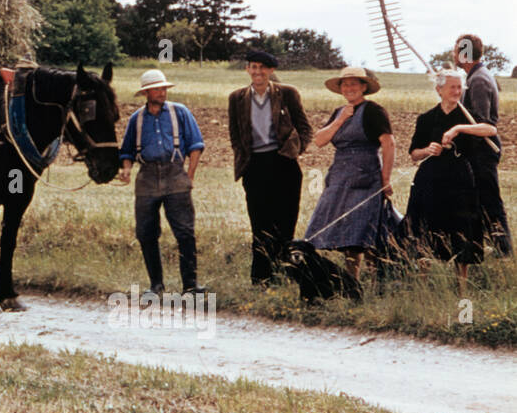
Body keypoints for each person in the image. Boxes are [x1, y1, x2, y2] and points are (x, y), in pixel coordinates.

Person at [404, 68, 498, 293]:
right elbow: (414, 154)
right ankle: (423, 285)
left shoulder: (467, 116)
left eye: (459, 87)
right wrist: (429, 149)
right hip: (430, 179)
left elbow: (490, 129)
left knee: (460, 229)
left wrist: (457, 129)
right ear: (439, 90)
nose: (457, 91)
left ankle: (461, 287)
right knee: (425, 228)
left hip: (460, 179)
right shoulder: (426, 118)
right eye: (452, 87)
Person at [117, 69, 207, 295]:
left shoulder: (181, 112)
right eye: (158, 89)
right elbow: (126, 151)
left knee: (185, 232)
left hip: (175, 174)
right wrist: (126, 170)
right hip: (146, 177)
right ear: (146, 93)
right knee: (146, 233)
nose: (162, 92)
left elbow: (196, 145)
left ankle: (190, 285)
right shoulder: (136, 119)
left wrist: (190, 175)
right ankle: (156, 285)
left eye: (164, 88)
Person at [302, 67, 396, 283]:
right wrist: (341, 119)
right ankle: (350, 282)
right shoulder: (338, 112)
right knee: (346, 231)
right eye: (345, 84)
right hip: (340, 176)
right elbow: (319, 140)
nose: (349, 88)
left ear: (364, 87)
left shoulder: (374, 110)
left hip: (366, 175)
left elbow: (389, 143)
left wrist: (385, 178)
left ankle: (376, 281)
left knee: (366, 229)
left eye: (354, 83)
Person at [228, 50, 313, 286]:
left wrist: (295, 150)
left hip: (284, 163)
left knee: (285, 222)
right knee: (260, 223)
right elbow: (234, 134)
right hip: (254, 166)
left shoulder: (287, 93)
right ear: (247, 69)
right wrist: (243, 159)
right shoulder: (237, 98)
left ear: (271, 70)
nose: (258, 72)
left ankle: (286, 275)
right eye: (253, 67)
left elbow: (305, 127)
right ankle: (261, 278)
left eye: (263, 68)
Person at [453, 33, 509, 256]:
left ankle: (504, 253)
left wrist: (457, 129)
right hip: (476, 152)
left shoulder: (478, 80)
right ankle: (484, 249)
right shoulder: (474, 77)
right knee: (477, 203)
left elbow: (484, 124)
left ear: (465, 53)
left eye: (457, 50)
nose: (454, 54)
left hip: (482, 152)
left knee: (490, 204)